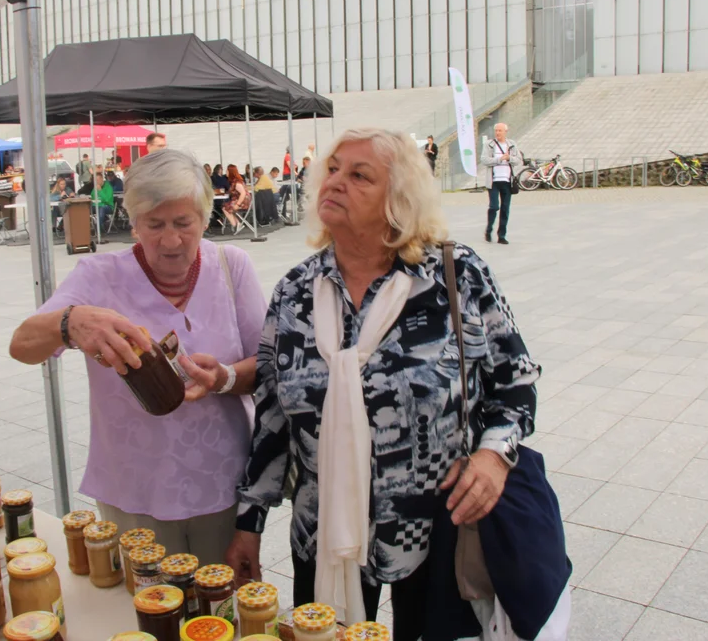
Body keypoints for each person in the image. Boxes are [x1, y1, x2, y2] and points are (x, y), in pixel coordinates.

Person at [226, 128, 544, 639]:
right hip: (323, 527)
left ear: (399, 199)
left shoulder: (456, 276)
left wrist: (492, 458)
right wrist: (249, 523)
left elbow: (516, 380)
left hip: (437, 530)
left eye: (359, 175)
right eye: (333, 169)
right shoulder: (295, 291)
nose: (335, 182)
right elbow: (271, 417)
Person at [9, 148, 267, 561]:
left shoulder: (232, 266)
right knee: (146, 613)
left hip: (224, 483)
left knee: (221, 610)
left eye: (184, 223)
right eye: (154, 224)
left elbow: (267, 366)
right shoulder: (98, 277)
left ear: (205, 217)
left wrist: (224, 378)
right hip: (133, 487)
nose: (170, 240)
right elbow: (21, 346)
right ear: (133, 223)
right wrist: (69, 322)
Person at [481, 123, 522, 245]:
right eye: (496, 130)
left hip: (507, 181)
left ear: (505, 131)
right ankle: (489, 230)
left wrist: (509, 158)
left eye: (500, 130)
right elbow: (484, 160)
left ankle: (502, 235)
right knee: (494, 206)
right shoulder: (489, 144)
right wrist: (499, 159)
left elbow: (519, 160)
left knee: (505, 209)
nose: (498, 133)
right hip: (494, 181)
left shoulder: (512, 144)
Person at [221, 164, 250, 231]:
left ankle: (235, 225)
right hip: (241, 201)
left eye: (227, 171)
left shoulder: (237, 183)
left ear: (231, 172)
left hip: (242, 202)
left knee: (225, 208)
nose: (226, 172)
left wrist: (237, 204)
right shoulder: (236, 181)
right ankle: (237, 224)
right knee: (227, 207)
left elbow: (243, 193)